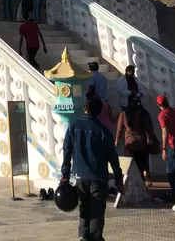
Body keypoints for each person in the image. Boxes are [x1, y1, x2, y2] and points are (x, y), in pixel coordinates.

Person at [60, 95, 124, 241]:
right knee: (97, 210)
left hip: (80, 176)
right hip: (98, 177)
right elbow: (113, 158)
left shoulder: (74, 126)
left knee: (84, 207)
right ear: (100, 111)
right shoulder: (103, 131)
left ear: (85, 108)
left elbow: (67, 152)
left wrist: (64, 175)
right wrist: (119, 181)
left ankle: (83, 235)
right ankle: (95, 237)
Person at [115, 96, 156, 186]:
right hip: (142, 141)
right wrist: (152, 138)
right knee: (144, 160)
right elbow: (149, 127)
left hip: (130, 143)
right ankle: (146, 174)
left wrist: (116, 141)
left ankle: (141, 180)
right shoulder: (143, 113)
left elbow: (119, 130)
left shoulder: (124, 114)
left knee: (135, 163)